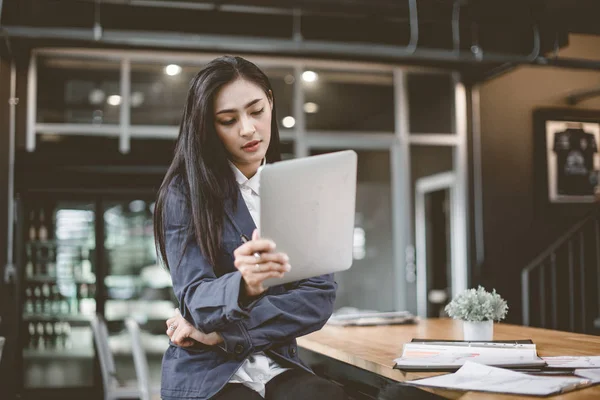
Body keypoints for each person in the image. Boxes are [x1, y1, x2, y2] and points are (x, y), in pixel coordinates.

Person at [153, 55, 347, 400]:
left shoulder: (297, 191)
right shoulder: (184, 194)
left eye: (256, 111)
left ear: (271, 102)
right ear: (208, 128)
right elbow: (196, 300)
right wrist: (243, 285)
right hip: (209, 374)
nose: (248, 129)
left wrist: (226, 333)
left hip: (277, 365)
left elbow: (318, 297)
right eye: (228, 120)